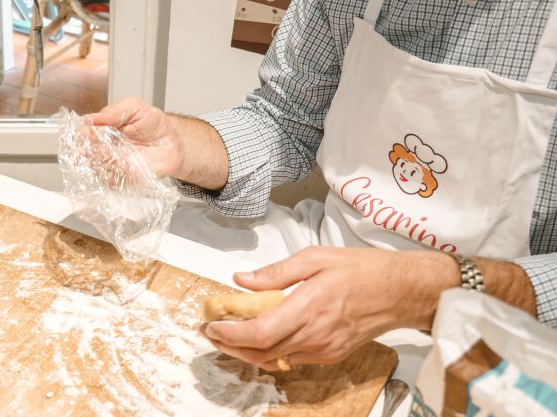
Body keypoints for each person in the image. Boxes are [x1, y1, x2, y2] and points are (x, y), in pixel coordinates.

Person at [92, 0, 557, 370]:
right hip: (323, 249)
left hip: (498, 320)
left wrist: (424, 291)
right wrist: (181, 145)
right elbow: (285, 120)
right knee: (116, 258)